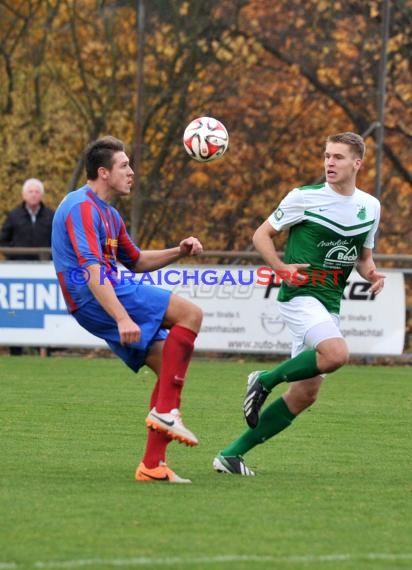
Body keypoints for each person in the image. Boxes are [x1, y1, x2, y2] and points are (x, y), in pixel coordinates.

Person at [213, 131, 385, 476]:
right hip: (300, 295)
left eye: (337, 157)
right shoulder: (304, 197)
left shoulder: (371, 206)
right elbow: (261, 235)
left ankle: (231, 456)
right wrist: (280, 268)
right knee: (336, 354)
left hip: (330, 303)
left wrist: (373, 275)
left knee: (305, 395)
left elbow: (363, 259)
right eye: (326, 156)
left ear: (357, 163)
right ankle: (264, 379)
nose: (329, 163)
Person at [52, 136, 203, 484]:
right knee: (191, 315)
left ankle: (152, 466)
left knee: (168, 364)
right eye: (124, 166)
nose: (132, 172)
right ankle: (166, 412)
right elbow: (91, 270)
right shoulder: (81, 207)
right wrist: (121, 316)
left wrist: (177, 251)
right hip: (96, 294)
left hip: (100, 295)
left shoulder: (109, 214)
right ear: (103, 172)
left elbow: (135, 261)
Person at [0, 178, 54, 356]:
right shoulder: (14, 216)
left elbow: (60, 240)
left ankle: (46, 350)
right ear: (24, 195)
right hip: (19, 273)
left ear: (42, 195)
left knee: (46, 310)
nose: (33, 194)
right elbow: (3, 241)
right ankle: (16, 351)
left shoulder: (50, 216)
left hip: (46, 272)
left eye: (36, 191)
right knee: (17, 312)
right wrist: (15, 256)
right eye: (30, 191)